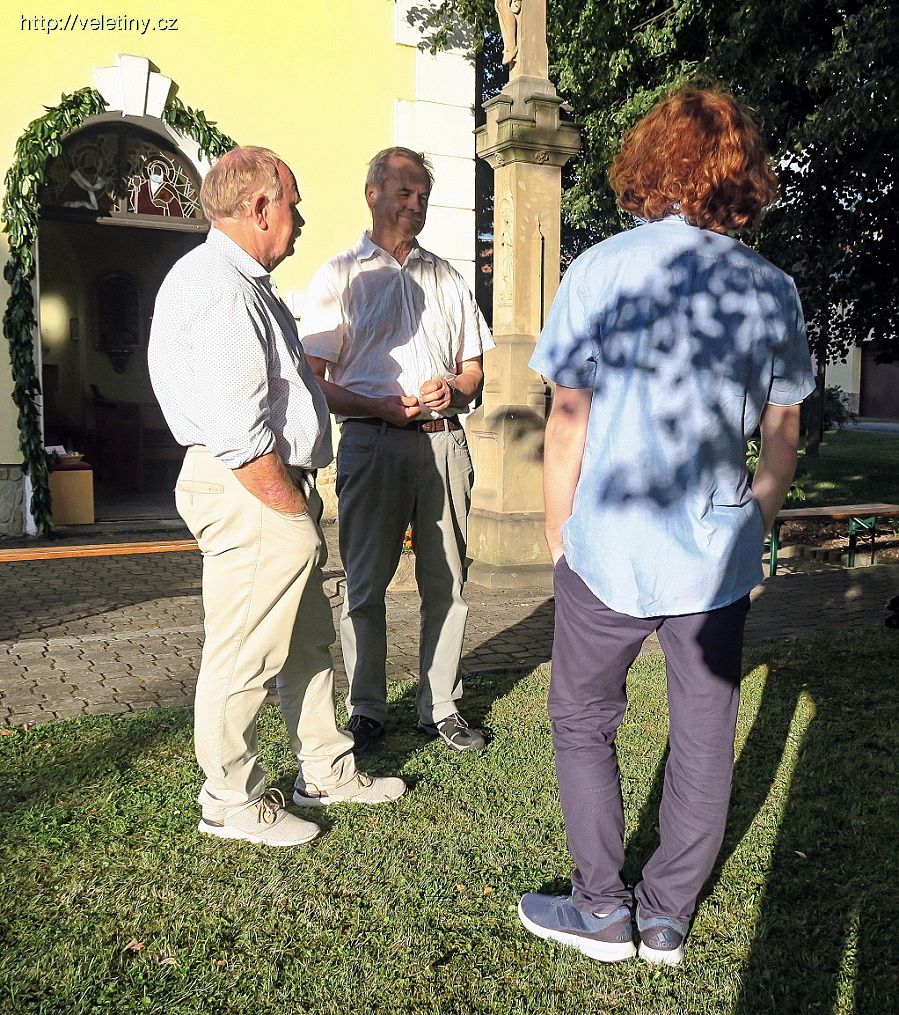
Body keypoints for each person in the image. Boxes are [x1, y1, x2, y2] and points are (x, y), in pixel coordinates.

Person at [517, 89, 815, 963]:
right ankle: (665, 916)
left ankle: (600, 909)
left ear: (651, 163)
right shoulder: (770, 289)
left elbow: (566, 413)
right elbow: (783, 428)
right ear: (742, 175)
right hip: (713, 550)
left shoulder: (600, 268)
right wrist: (757, 516)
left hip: (607, 538)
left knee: (582, 719)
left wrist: (557, 530)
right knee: (703, 734)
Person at [148, 146, 405, 848]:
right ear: (260, 206)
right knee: (245, 652)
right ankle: (229, 798)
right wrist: (289, 510)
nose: (301, 218)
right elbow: (238, 428)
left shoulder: (241, 281)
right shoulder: (220, 286)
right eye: (293, 203)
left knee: (305, 642)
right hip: (251, 485)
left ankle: (323, 768)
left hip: (267, 482)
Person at [299, 147, 495, 753]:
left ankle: (442, 706)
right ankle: (366, 708)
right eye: (405, 193)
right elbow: (313, 379)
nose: (416, 205)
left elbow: (474, 371)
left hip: (444, 444)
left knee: (448, 582)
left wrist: (455, 389)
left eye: (423, 197)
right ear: (373, 194)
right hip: (372, 441)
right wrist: (378, 405)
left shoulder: (447, 277)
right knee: (365, 585)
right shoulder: (340, 276)